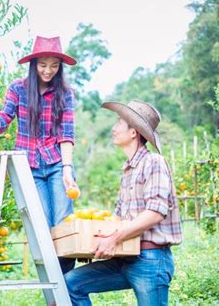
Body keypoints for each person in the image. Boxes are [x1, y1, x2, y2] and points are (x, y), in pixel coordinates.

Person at [0, 36, 79, 273]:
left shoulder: (65, 93)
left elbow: (67, 134)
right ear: (34, 63)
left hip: (57, 164)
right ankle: (54, 293)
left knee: (63, 225)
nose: (48, 71)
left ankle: (68, 288)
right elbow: (1, 123)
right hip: (29, 167)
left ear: (60, 67)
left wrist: (67, 169)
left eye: (54, 66)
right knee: (43, 229)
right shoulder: (18, 88)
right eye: (43, 65)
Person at [64, 100, 182, 305]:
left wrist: (115, 239)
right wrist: (93, 245)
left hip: (151, 259)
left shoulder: (153, 162)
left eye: (119, 123)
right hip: (125, 256)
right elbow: (118, 219)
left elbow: (155, 212)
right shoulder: (127, 170)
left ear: (134, 132)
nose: (114, 128)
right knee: (72, 282)